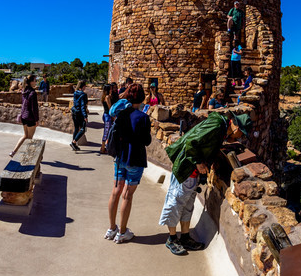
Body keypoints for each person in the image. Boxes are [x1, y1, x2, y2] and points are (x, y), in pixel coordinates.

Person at [160, 111, 248, 255]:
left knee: (187, 205)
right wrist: (199, 163)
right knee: (176, 202)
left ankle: (185, 237)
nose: (241, 138)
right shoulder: (217, 126)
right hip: (185, 168)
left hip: (191, 172)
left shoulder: (221, 128)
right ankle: (172, 239)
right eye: (242, 134)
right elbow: (191, 142)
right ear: (237, 129)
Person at [105, 85, 150, 243]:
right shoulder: (142, 117)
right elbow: (147, 141)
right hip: (135, 159)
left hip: (120, 158)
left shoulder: (121, 115)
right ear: (142, 98)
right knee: (127, 195)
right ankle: (123, 232)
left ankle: (112, 229)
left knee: (116, 191)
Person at [10, 75, 41, 158]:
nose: (35, 82)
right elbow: (34, 108)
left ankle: (13, 152)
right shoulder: (32, 93)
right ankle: (28, 157)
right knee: (30, 138)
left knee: (25, 136)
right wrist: (36, 120)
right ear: (31, 82)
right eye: (34, 80)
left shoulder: (24, 91)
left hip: (24, 117)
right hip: (31, 118)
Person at [70, 81, 90, 152]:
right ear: (83, 86)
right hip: (80, 114)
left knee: (76, 128)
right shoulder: (83, 95)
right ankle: (74, 142)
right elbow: (82, 106)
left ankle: (74, 145)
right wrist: (85, 116)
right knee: (83, 129)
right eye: (85, 86)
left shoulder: (75, 93)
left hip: (74, 112)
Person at [100, 82, 117, 154]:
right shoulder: (107, 97)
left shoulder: (105, 96)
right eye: (110, 89)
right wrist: (113, 116)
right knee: (106, 132)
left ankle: (103, 147)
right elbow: (110, 108)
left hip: (105, 115)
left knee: (108, 131)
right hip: (108, 116)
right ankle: (102, 148)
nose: (111, 90)